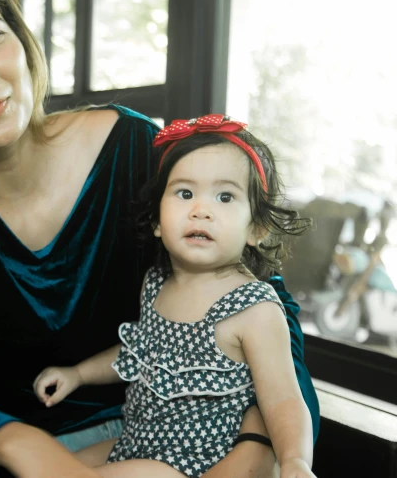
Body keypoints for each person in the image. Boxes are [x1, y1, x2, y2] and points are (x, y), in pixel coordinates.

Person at [0, 0, 319, 477]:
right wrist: (19, 446)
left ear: (24, 46)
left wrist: (259, 442)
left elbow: (261, 300)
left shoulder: (136, 150)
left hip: (164, 439)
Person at [33, 116, 315, 478]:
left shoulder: (253, 307)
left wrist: (294, 461)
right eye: (185, 193)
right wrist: (77, 374)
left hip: (194, 464)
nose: (201, 209)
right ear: (156, 220)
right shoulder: (157, 282)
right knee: (43, 465)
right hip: (136, 442)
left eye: (225, 196)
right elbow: (140, 351)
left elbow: (284, 399)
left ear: (255, 228)